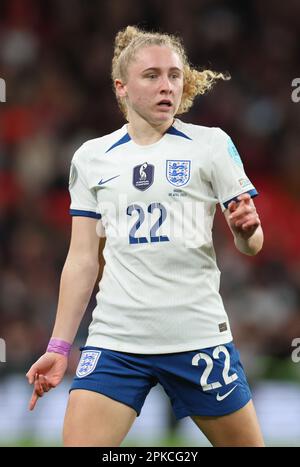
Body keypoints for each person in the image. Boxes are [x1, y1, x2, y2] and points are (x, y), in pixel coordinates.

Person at [26, 25, 265, 447]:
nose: (166, 86)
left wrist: (247, 229)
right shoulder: (92, 157)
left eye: (174, 75)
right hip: (117, 340)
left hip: (197, 337)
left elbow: (252, 246)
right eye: (151, 75)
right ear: (122, 87)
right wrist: (60, 346)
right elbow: (82, 260)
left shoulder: (210, 145)